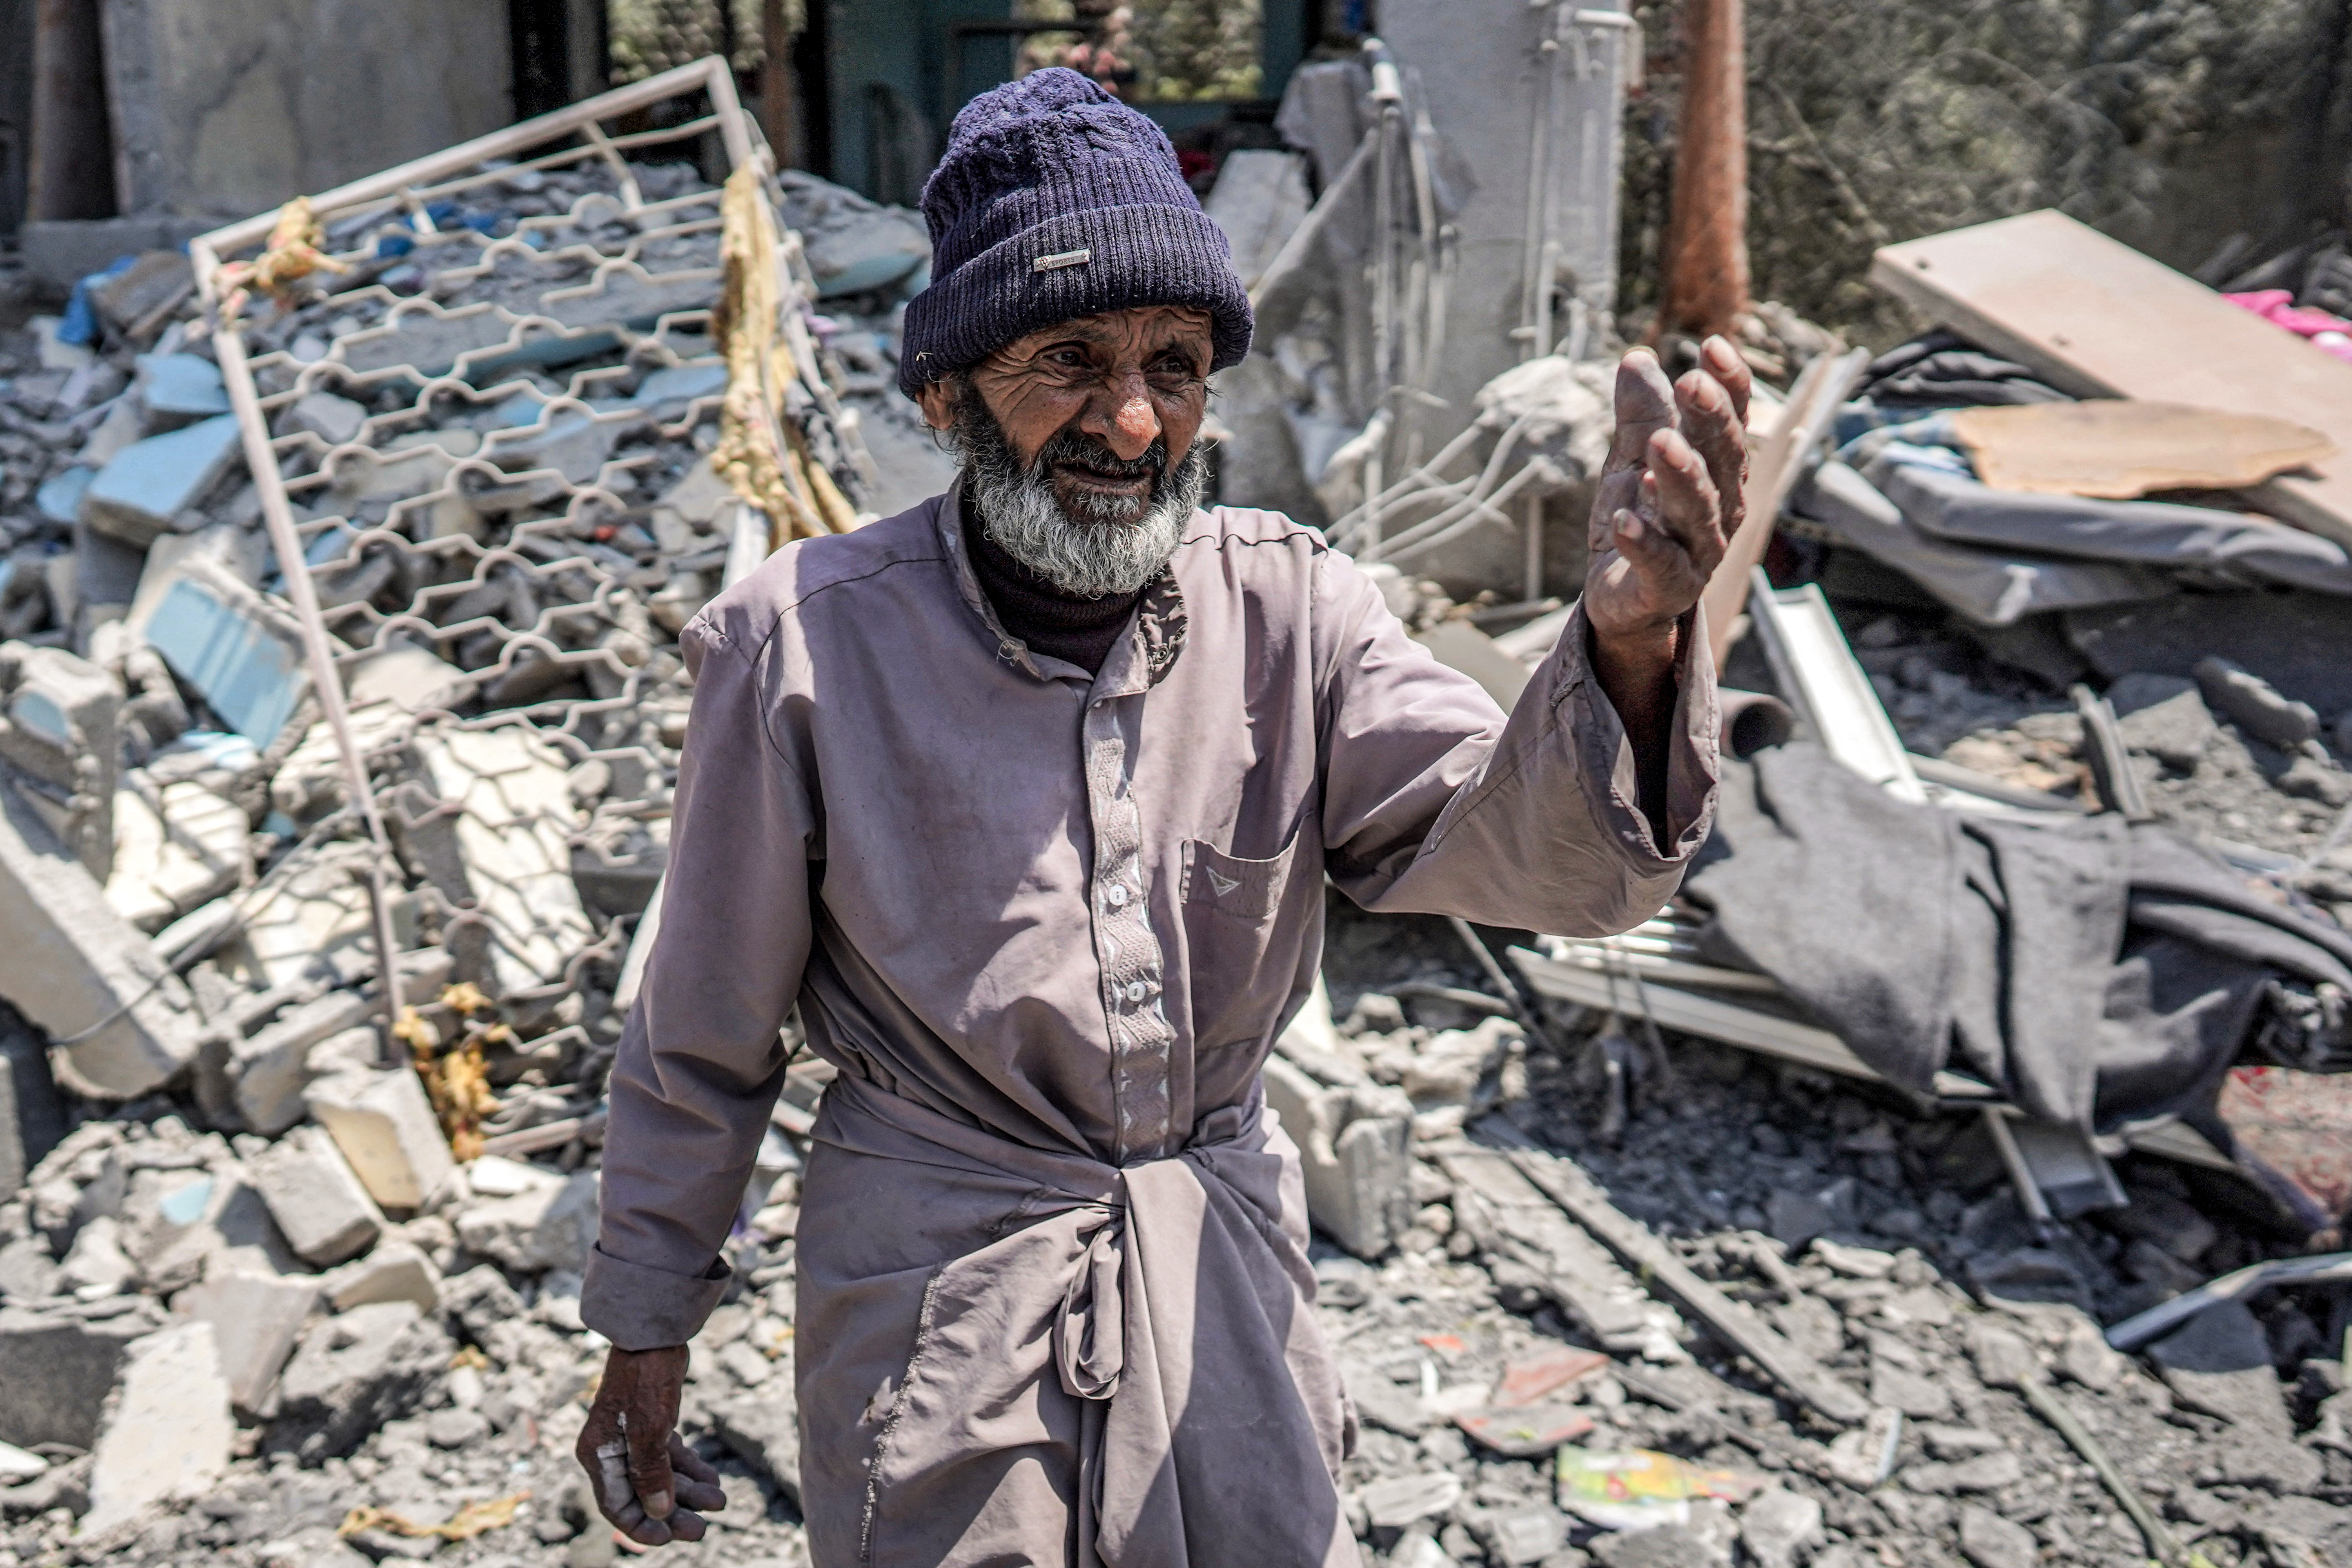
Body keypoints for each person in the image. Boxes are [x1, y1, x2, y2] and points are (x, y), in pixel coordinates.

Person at [575, 67, 1748, 1568]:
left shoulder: (1293, 605)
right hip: (941, 1302)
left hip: (1222, 1294)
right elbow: (701, 1038)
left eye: (1177, 365)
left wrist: (1636, 645)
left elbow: (1529, 847)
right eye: (1069, 358)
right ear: (945, 398)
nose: (1133, 422)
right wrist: (646, 1326)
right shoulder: (798, 645)